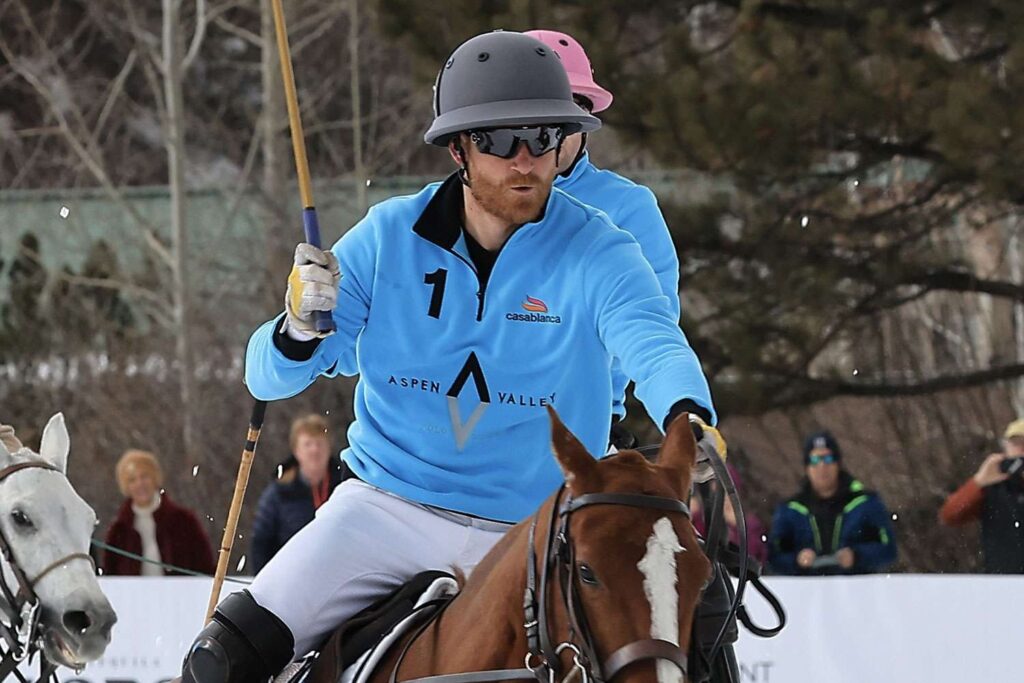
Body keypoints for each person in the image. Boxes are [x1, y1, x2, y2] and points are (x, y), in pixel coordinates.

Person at [180, 30, 721, 681]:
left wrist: (690, 415)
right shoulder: (387, 237)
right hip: (386, 508)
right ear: (460, 148)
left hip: (536, 523)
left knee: (690, 639)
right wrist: (296, 325)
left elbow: (654, 341)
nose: (524, 160)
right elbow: (266, 375)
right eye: (499, 140)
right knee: (219, 660)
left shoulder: (600, 248)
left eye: (543, 137)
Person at [525, 30, 679, 449]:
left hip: (583, 428)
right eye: (536, 113)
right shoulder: (465, 203)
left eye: (567, 112)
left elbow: (651, 327)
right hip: (470, 423)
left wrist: (682, 415)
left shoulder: (628, 207)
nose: (551, 131)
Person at [768, 431, 897, 575]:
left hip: (858, 588)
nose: (822, 466)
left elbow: (888, 549)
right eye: (815, 460)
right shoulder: (790, 510)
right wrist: (797, 560)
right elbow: (773, 556)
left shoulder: (865, 504)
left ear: (838, 463)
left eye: (828, 459)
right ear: (807, 467)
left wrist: (857, 556)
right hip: (806, 591)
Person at [250, 414, 344, 573]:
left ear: (329, 448)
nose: (315, 450)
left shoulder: (344, 486)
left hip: (338, 571)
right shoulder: (280, 492)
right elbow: (261, 541)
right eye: (308, 444)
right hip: (290, 574)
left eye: (319, 443)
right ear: (296, 451)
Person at [102, 449, 215, 576]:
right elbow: (110, 577)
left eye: (144, 476)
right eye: (132, 480)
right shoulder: (119, 530)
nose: (140, 484)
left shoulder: (183, 521)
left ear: (155, 478)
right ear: (126, 487)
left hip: (182, 594)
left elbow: (206, 569)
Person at [939, 418, 1024, 573]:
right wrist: (978, 481)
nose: (1022, 450)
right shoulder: (993, 487)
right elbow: (950, 515)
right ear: (1005, 448)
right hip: (1003, 577)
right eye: (1017, 443)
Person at [691, 463, 768, 565]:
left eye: (727, 493)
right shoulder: (700, 520)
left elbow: (754, 557)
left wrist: (736, 527)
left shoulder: (750, 524)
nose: (724, 500)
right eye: (716, 494)